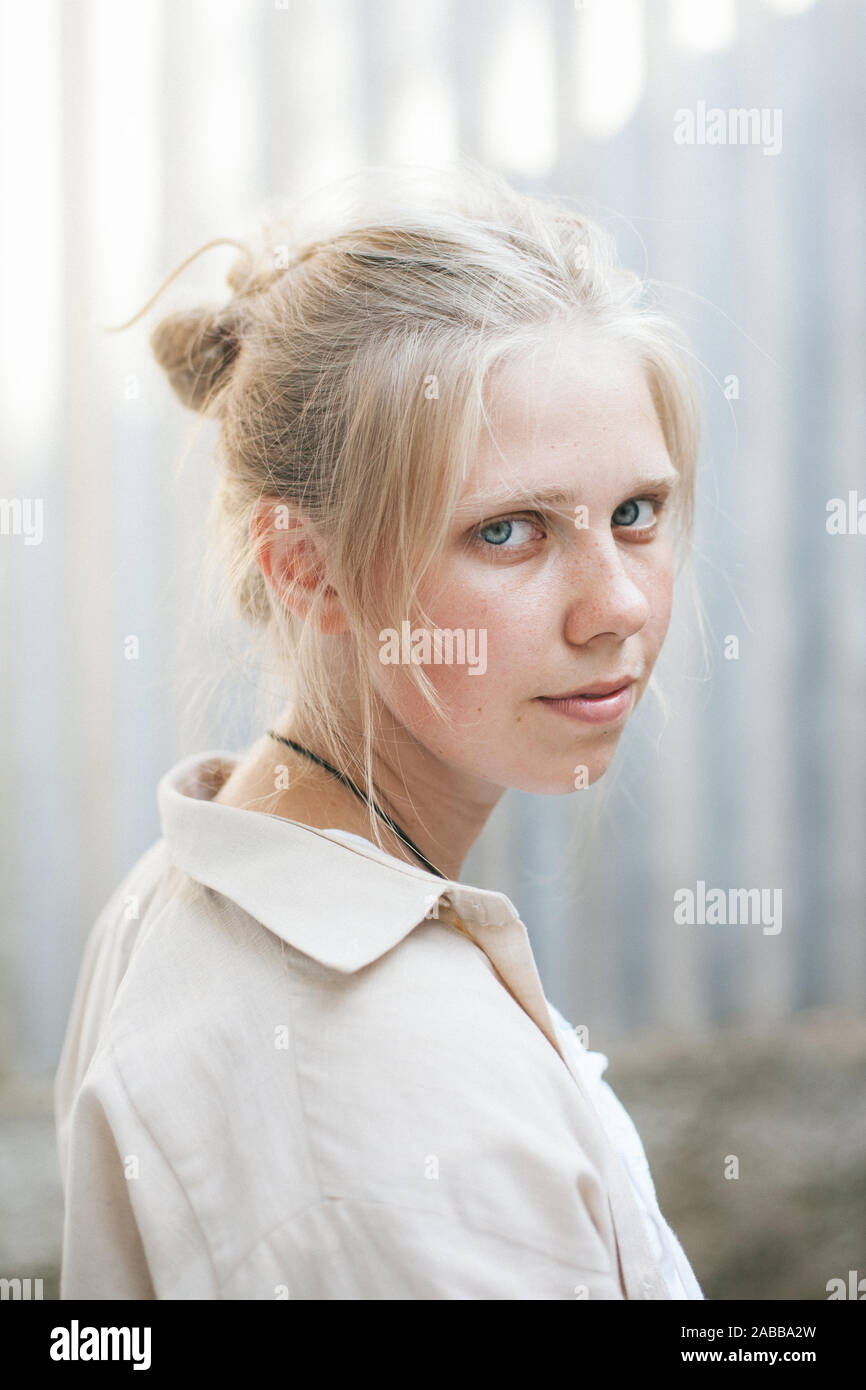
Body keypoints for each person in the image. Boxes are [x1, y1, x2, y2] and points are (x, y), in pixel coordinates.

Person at [55, 163, 704, 1300]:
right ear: (307, 568)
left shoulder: (188, 875)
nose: (621, 605)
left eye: (633, 512)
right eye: (507, 531)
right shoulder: (380, 1096)